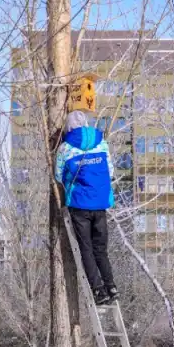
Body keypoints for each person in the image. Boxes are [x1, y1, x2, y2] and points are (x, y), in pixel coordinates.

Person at [55, 110, 117, 305]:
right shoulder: (101, 143)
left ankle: (98, 290)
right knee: (101, 249)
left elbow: (58, 175)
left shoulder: (65, 147)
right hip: (100, 204)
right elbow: (111, 171)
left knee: (86, 248)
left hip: (80, 204)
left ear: (69, 127)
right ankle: (111, 286)